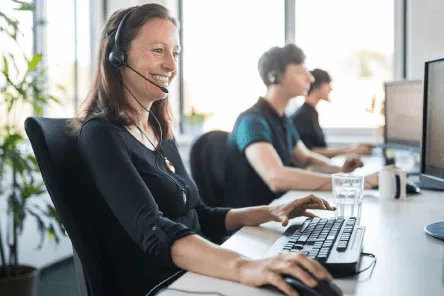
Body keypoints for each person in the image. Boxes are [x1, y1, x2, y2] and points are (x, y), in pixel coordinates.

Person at [72, 4, 335, 296]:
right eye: (158, 50)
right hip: (165, 285)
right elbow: (154, 231)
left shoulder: (159, 130)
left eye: (175, 53)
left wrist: (271, 211)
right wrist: (245, 267)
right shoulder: (101, 135)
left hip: (197, 270)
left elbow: (200, 214)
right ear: (118, 57)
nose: (171, 66)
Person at [224, 45, 379, 208]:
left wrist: (340, 170)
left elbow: (306, 158)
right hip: (251, 225)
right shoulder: (251, 121)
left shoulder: (282, 119)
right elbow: (276, 177)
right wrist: (352, 183)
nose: (310, 78)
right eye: (300, 72)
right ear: (273, 77)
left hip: (280, 210)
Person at [290, 68, 374, 158]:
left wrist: (351, 150)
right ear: (317, 87)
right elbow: (308, 152)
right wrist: (349, 151)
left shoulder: (311, 113)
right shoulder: (302, 116)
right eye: (328, 84)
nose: (331, 89)